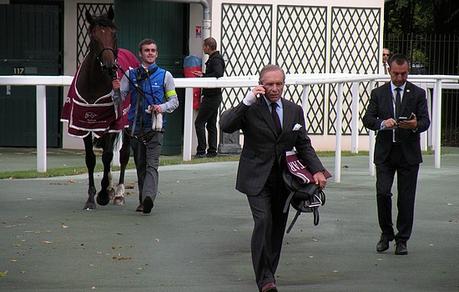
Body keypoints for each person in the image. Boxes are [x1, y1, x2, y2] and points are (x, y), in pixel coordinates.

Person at [220, 64, 327, 292]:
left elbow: (303, 143)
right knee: (263, 222)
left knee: (277, 227)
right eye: (269, 84)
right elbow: (226, 124)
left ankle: (269, 273)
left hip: (286, 179)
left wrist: (317, 170)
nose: (274, 88)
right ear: (261, 84)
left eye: (279, 84)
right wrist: (247, 100)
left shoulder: (294, 110)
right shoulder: (250, 107)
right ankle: (265, 280)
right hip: (256, 177)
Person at [363, 54, 430, 255]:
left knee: (406, 198)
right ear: (389, 71)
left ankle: (402, 240)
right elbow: (367, 118)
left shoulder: (418, 93)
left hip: (408, 154)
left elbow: (425, 121)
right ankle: (386, 233)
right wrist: (383, 124)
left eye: (404, 73)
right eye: (396, 74)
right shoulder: (378, 93)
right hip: (385, 153)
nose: (400, 78)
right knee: (383, 193)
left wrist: (415, 125)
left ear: (408, 71)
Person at [114, 38, 179, 214]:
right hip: (135, 129)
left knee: (152, 165)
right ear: (140, 54)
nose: (150, 53)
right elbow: (119, 100)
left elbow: (174, 102)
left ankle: (148, 198)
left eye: (153, 50)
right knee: (141, 165)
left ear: (156, 54)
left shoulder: (166, 76)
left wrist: (161, 107)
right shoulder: (131, 74)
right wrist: (115, 90)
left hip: (155, 128)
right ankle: (144, 200)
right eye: (146, 50)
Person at [192, 37, 225, 158]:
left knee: (199, 122)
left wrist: (203, 76)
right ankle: (212, 151)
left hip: (211, 96)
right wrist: (204, 75)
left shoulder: (215, 60)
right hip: (215, 96)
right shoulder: (216, 58)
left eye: (204, 46)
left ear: (208, 47)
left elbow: (218, 74)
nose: (203, 48)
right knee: (211, 124)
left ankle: (201, 150)